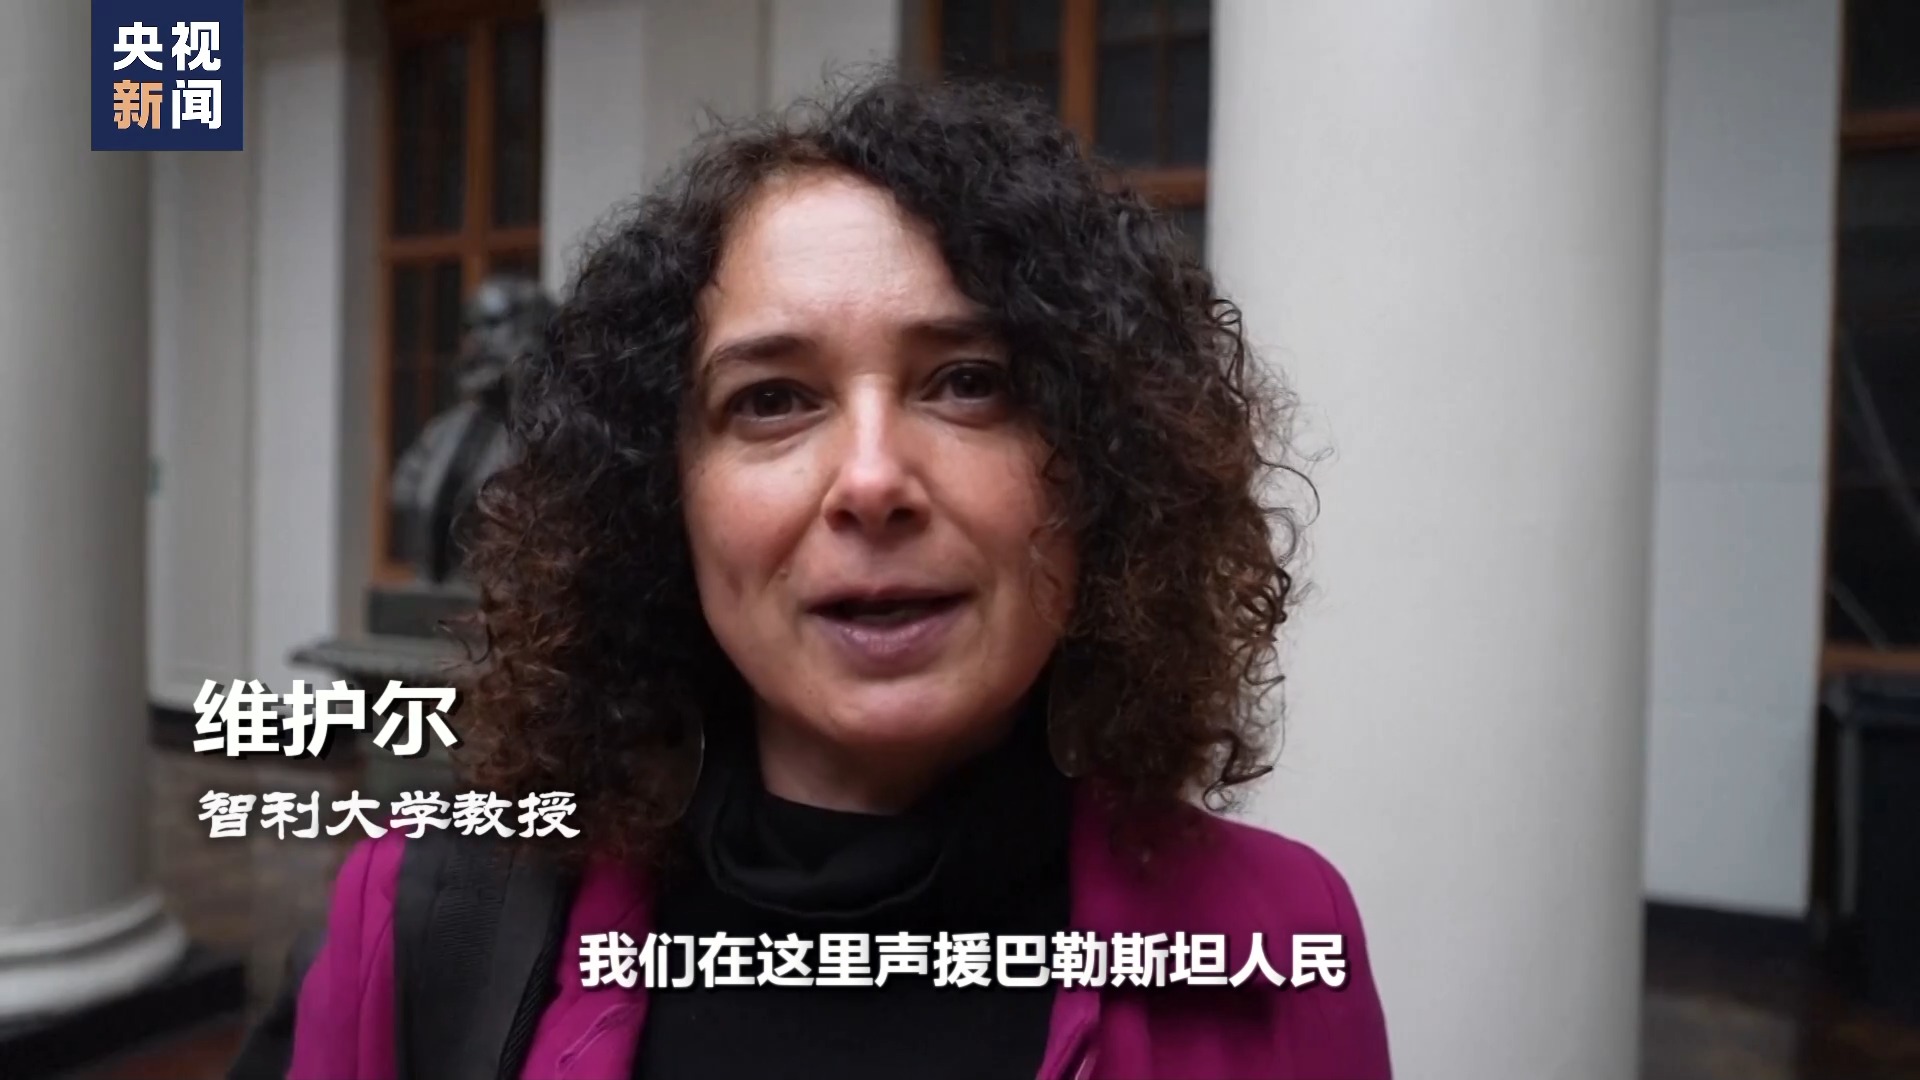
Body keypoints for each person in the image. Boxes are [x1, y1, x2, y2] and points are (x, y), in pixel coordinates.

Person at [269, 73, 1390, 1080]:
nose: (871, 480)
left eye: (967, 382)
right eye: (772, 400)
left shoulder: (1278, 942)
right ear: (661, 495)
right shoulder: (426, 920)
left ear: (1104, 461)